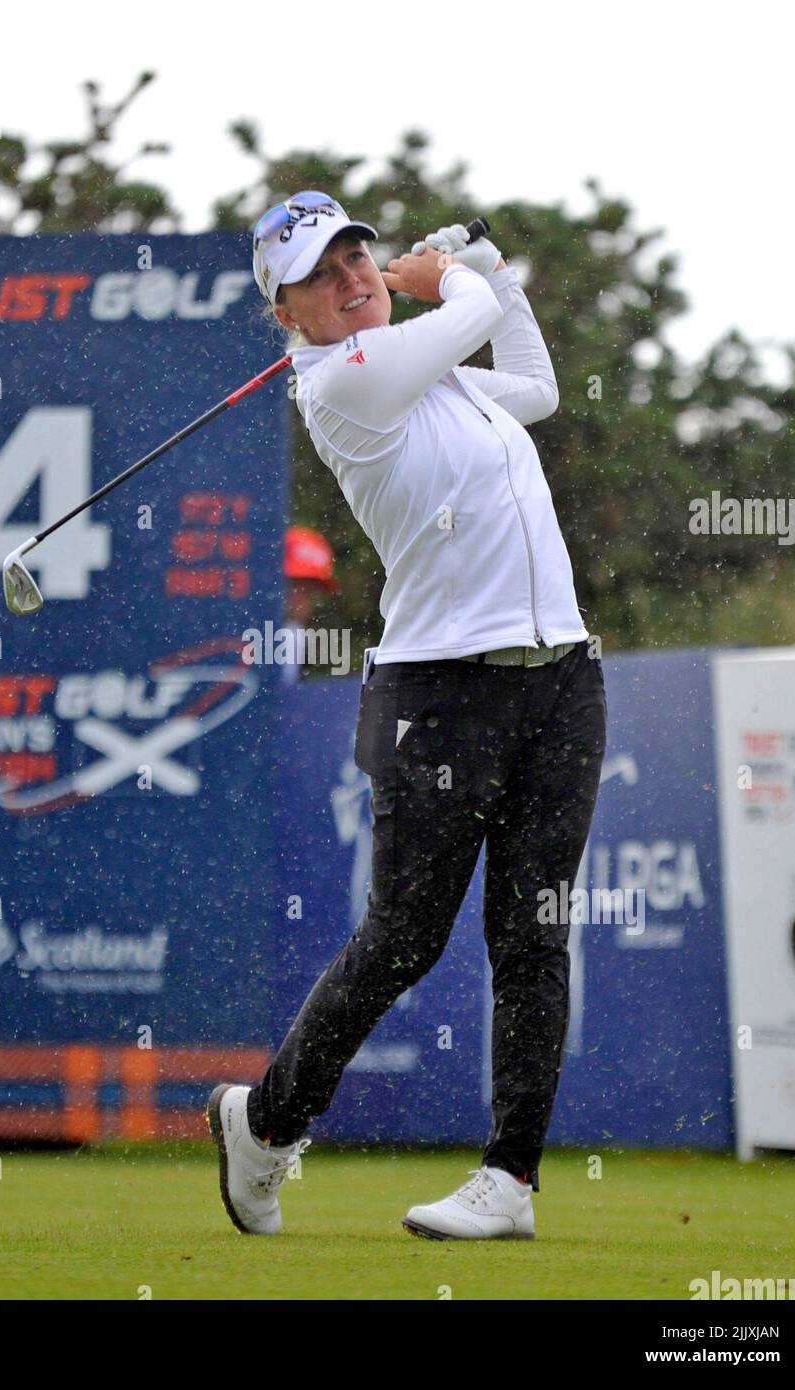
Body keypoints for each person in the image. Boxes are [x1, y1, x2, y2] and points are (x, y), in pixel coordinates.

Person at [208, 192, 607, 1240]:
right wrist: (459, 274)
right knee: (405, 939)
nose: (353, 279)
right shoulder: (343, 385)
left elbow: (536, 384)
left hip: (560, 676)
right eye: (322, 276)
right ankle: (266, 1120)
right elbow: (470, 317)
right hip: (440, 694)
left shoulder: (442, 387)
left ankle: (508, 1182)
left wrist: (487, 276)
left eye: (358, 256)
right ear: (288, 315)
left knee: (535, 934)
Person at [276, 525, 340, 686]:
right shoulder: (243, 636)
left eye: (312, 587)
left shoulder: (298, 636)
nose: (303, 596)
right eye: (296, 583)